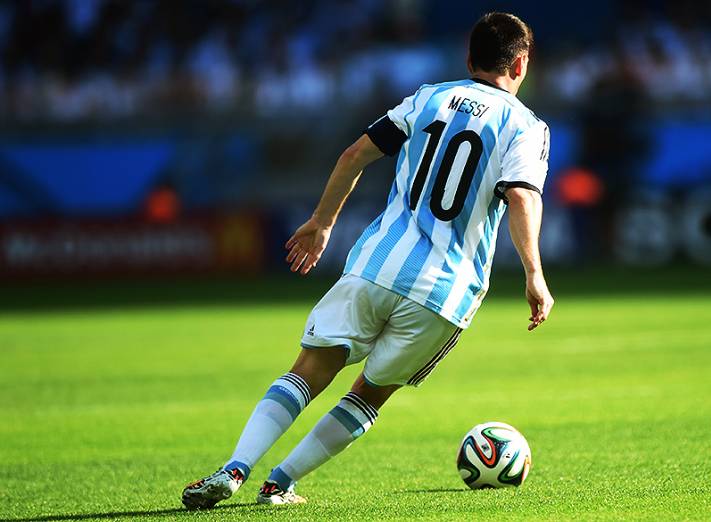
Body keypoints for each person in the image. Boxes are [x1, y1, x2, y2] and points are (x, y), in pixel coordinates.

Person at [181, 12, 553, 508]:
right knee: (368, 394)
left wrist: (322, 223)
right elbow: (523, 197)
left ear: (469, 58)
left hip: (377, 264)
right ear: (522, 63)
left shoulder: (428, 98)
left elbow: (353, 155)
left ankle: (234, 468)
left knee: (307, 371)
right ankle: (279, 483)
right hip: (444, 292)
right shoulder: (526, 126)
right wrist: (534, 273)